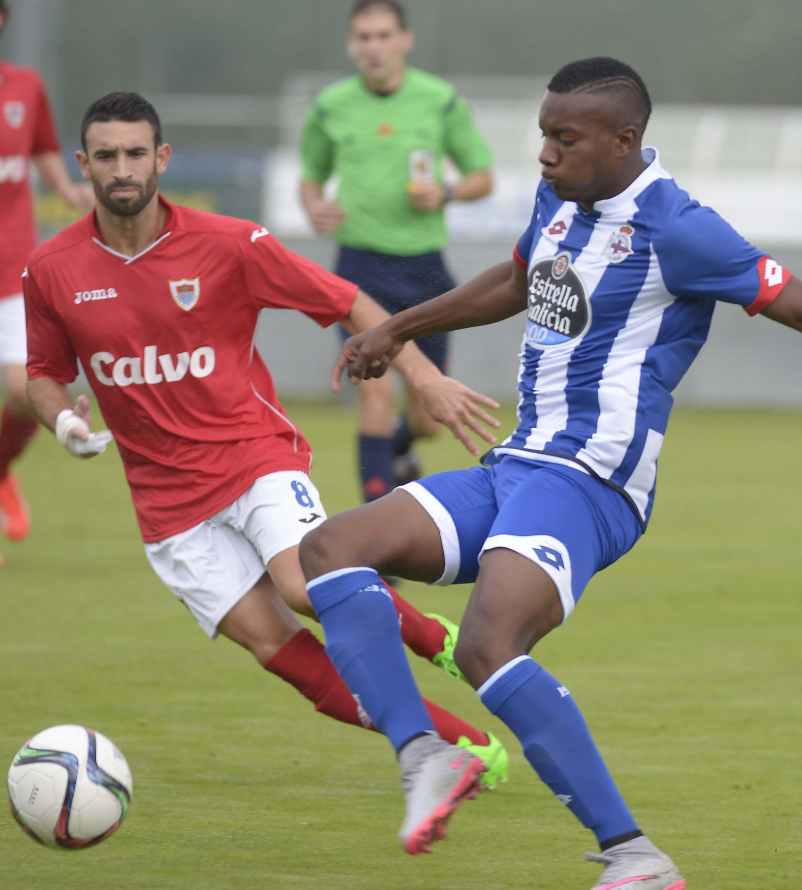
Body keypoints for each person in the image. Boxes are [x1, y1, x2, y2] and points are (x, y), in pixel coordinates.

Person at [296, 57, 802, 889]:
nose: (544, 153)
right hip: (516, 463)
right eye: (543, 134)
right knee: (329, 550)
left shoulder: (679, 228)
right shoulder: (562, 196)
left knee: (486, 642)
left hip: (592, 480)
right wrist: (399, 327)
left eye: (563, 138)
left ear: (623, 141)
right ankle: (424, 751)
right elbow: (516, 277)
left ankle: (633, 855)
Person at [23, 91, 509, 789]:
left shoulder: (230, 243)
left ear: (161, 158)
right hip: (167, 507)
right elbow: (44, 372)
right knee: (276, 646)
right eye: (106, 156)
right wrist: (63, 421)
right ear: (83, 164)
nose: (122, 169)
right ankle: (458, 745)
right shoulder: (52, 268)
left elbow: (347, 300)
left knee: (308, 586)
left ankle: (440, 640)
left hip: (254, 456)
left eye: (135, 153)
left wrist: (424, 377)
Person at [298, 0, 493, 504]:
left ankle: (401, 450)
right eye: (364, 37)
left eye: (384, 35)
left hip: (425, 270)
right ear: (351, 45)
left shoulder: (441, 100)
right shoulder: (330, 106)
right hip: (360, 268)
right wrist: (315, 207)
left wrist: (447, 192)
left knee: (428, 419)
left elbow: (482, 176)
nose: (374, 47)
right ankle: (377, 538)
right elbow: (310, 180)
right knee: (376, 395)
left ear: (405, 40)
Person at [0, 0, 93, 566]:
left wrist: (71, 191)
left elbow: (40, 151)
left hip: (12, 271)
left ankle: (2, 469)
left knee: (20, 392)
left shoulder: (26, 87)